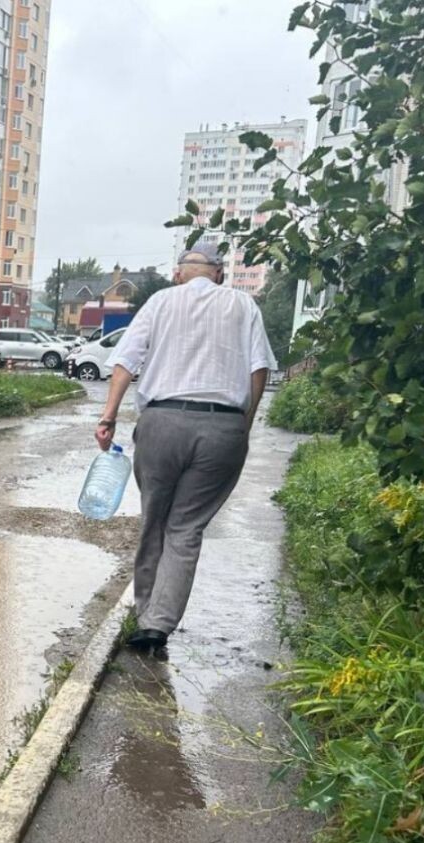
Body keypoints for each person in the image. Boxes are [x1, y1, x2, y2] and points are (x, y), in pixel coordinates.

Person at [94, 243, 276, 658]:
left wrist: (108, 417)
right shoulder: (243, 305)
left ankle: (145, 614)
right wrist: (243, 426)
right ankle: (157, 624)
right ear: (218, 274)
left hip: (162, 422)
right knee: (186, 527)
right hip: (223, 427)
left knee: (154, 519)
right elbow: (259, 369)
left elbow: (125, 362)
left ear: (178, 274)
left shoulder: (160, 302)